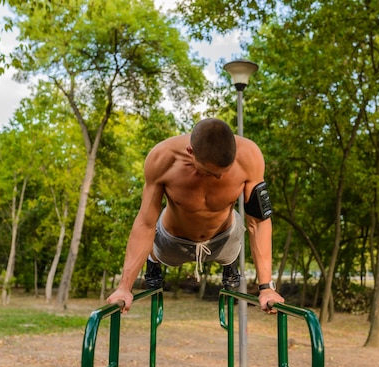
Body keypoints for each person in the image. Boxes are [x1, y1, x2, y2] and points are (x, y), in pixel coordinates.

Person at [106, 118, 283, 313]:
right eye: (210, 172)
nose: (219, 178)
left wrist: (266, 288)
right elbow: (145, 223)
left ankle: (230, 264)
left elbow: (258, 223)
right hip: (172, 242)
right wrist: (124, 287)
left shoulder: (249, 156)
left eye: (225, 172)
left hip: (224, 239)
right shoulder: (162, 158)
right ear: (190, 152)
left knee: (239, 221)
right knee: (155, 234)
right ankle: (152, 261)